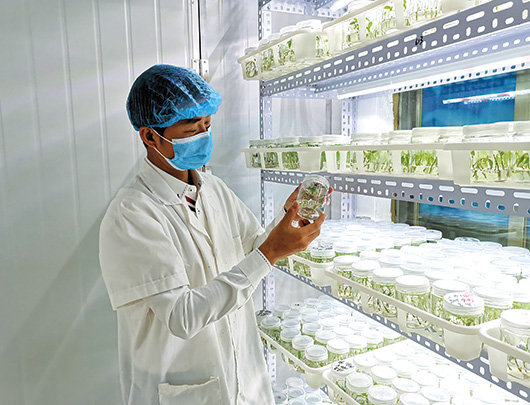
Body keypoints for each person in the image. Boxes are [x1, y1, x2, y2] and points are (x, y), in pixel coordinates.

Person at [99, 64, 329, 405]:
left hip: (243, 379)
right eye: (192, 128)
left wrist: (288, 219)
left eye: (207, 125)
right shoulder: (131, 214)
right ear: (150, 136)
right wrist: (269, 252)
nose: (204, 135)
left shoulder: (213, 188)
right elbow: (182, 316)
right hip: (179, 388)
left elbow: (252, 247)